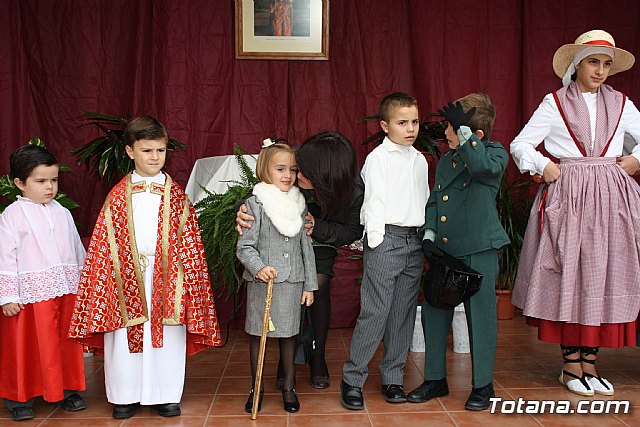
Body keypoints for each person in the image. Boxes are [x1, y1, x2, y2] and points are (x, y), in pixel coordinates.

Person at [510, 29, 640, 397]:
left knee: (601, 276)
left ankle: (590, 364)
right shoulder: (554, 103)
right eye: (593, 62)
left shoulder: (621, 103)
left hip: (612, 198)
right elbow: (520, 143)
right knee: (571, 275)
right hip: (571, 197)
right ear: (577, 64)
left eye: (605, 64)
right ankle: (571, 365)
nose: (600, 71)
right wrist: (542, 163)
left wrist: (634, 158)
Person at [68, 116, 223, 419]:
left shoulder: (176, 194)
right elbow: (103, 245)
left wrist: (186, 277)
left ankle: (164, 394)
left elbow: (190, 243)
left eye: (160, 151)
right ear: (130, 151)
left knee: (167, 335)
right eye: (147, 151)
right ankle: (125, 395)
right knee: (125, 336)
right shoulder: (117, 196)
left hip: (168, 278)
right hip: (126, 276)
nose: (155, 157)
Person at [236, 131, 365, 390]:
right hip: (282, 238)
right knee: (288, 281)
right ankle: (287, 357)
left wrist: (316, 226)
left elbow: (350, 232)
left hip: (320, 238)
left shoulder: (352, 190)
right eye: (298, 168)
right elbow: (261, 188)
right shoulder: (298, 160)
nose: (297, 175)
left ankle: (318, 355)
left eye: (304, 172)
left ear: (326, 178)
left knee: (318, 281)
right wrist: (242, 209)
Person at [407, 94, 510, 411]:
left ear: (473, 135)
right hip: (447, 251)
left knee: (481, 320)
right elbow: (437, 200)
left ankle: (483, 385)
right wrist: (429, 234)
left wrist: (466, 134)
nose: (446, 134)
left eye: (452, 129)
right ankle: (435, 379)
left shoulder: (493, 154)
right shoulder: (448, 159)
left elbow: (481, 168)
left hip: (479, 249)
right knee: (436, 314)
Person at [341, 92, 429, 410]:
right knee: (375, 312)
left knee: (402, 314)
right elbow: (373, 201)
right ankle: (353, 379)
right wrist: (376, 242)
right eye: (402, 122)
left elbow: (422, 200)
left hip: (413, 241)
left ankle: (393, 377)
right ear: (385, 125)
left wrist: (423, 237)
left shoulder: (419, 159)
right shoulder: (378, 158)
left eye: (415, 122)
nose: (410, 128)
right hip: (385, 240)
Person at [0, 145, 87, 421]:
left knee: (62, 341)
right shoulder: (12, 215)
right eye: (41, 181)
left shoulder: (62, 211)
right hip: (28, 294)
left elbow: (76, 248)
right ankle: (18, 396)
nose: (49, 187)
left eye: (53, 180)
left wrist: (83, 282)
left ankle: (66, 389)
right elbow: (5, 257)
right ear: (19, 183)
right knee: (25, 345)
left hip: (63, 289)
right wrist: (7, 295)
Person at [236, 140, 317, 414]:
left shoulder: (299, 203)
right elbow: (244, 246)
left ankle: (289, 387)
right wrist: (258, 267)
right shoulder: (256, 204)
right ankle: (255, 387)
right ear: (264, 170)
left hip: (293, 283)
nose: (287, 176)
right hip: (263, 283)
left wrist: (310, 285)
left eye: (292, 170)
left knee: (289, 335)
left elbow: (306, 247)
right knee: (258, 336)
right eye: (280, 169)